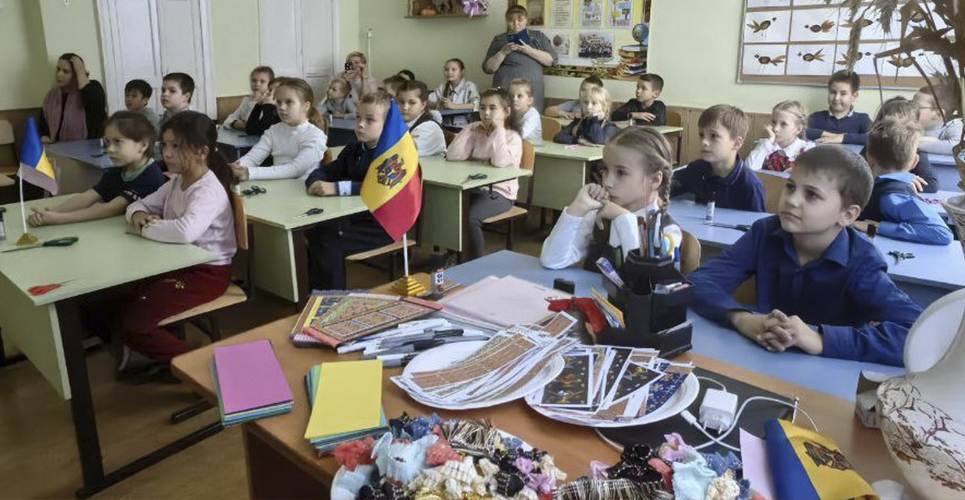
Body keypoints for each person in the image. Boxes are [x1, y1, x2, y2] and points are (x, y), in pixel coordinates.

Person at [687, 146, 922, 367]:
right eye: (790, 187)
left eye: (812, 195)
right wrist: (742, 319)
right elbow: (699, 281)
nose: (792, 200)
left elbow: (918, 334)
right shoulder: (765, 233)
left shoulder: (862, 261)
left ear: (847, 215)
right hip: (761, 361)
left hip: (827, 377)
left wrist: (820, 339)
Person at [120, 111, 237, 369]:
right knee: (119, 297)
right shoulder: (176, 182)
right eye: (165, 145)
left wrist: (145, 229)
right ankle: (150, 356)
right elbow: (137, 205)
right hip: (177, 264)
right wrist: (138, 216)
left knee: (136, 324)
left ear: (201, 152)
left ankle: (199, 368)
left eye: (176, 146)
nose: (168, 153)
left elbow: (185, 232)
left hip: (207, 273)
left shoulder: (207, 190)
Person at [540, 127, 681, 270]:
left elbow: (642, 278)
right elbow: (551, 260)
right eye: (605, 169)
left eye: (621, 172)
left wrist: (624, 219)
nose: (607, 182)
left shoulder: (666, 231)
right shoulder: (599, 215)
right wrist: (577, 209)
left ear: (654, 180)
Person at [302, 90, 396, 290]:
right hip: (355, 217)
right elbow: (326, 171)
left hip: (383, 225)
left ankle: (333, 300)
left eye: (370, 120)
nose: (360, 124)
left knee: (328, 241)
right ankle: (316, 293)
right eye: (358, 118)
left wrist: (337, 188)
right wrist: (314, 181)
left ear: (388, 124)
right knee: (315, 231)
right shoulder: (354, 149)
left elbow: (380, 187)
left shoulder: (394, 154)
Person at [28, 112, 165, 227]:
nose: (110, 149)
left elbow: (111, 209)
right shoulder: (119, 170)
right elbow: (89, 195)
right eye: (108, 142)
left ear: (143, 145)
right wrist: (53, 211)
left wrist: (56, 219)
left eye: (118, 142)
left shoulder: (151, 176)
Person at [446, 88, 523, 259]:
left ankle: (476, 261)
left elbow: (499, 162)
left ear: (506, 112)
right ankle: (454, 255)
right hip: (473, 188)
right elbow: (453, 156)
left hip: (500, 193)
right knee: (448, 208)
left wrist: (499, 130)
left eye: (492, 108)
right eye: (482, 108)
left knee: (471, 218)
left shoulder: (512, 138)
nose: (486, 113)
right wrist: (468, 129)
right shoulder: (477, 132)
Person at [852, 118, 952, 245]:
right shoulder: (894, 195)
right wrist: (877, 227)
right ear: (915, 162)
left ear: (869, 158)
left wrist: (877, 227)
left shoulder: (891, 194)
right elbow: (942, 233)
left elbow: (943, 234)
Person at [671, 104, 765, 212]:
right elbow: (668, 186)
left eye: (713, 136)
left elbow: (758, 221)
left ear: (736, 143)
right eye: (701, 135)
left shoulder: (750, 185)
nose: (704, 142)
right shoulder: (697, 169)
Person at [230, 78, 327, 181]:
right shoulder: (274, 130)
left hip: (302, 188)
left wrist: (249, 173)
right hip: (277, 185)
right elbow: (253, 158)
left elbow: (295, 169)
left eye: (289, 102)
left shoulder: (315, 135)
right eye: (279, 102)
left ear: (306, 106)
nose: (282, 107)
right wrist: (236, 167)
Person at [483, 5, 557, 111]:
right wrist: (503, 52)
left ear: (526, 20)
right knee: (504, 118)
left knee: (530, 119)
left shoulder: (538, 37)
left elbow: (551, 61)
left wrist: (529, 50)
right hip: (505, 93)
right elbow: (488, 69)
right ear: (506, 21)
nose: (516, 23)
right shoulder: (499, 39)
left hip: (531, 94)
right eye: (511, 20)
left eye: (520, 19)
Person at [860, 96, 937, 192]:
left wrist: (905, 179)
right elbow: (856, 173)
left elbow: (931, 184)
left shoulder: (915, 149)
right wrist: (896, 179)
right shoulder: (874, 144)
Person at [39, 53, 107, 143]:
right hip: (57, 148)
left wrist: (81, 72)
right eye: (58, 69)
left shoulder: (93, 88)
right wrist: (43, 136)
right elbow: (42, 124)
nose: (59, 74)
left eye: (66, 71)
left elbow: (94, 104)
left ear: (76, 73)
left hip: (89, 148)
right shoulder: (52, 96)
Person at [805, 70, 872, 145]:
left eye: (843, 93)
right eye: (833, 92)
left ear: (854, 96)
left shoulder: (862, 119)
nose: (836, 98)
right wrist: (828, 135)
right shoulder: (816, 117)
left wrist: (843, 138)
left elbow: (874, 137)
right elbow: (800, 130)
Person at [746, 101, 814, 172]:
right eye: (774, 122)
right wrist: (767, 144)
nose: (775, 128)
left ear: (798, 129)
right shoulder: (766, 146)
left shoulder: (806, 151)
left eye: (783, 124)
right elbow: (748, 171)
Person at [554, 86, 619, 146]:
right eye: (585, 102)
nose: (588, 107)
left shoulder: (610, 126)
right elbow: (559, 137)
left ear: (605, 107)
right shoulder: (579, 123)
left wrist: (594, 119)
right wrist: (578, 141)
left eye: (594, 103)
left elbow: (598, 141)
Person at [397, 80, 446, 157]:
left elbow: (405, 154)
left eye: (412, 103)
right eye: (401, 102)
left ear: (423, 104)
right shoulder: (401, 123)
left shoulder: (429, 127)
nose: (405, 107)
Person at [914, 83, 964, 157]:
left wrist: (915, 142)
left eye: (917, 106)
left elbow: (959, 147)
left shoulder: (953, 125)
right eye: (911, 104)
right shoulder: (910, 123)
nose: (912, 109)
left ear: (938, 114)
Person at [429, 58, 480, 128]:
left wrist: (454, 106)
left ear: (462, 72)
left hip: (465, 127)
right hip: (445, 125)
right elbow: (427, 100)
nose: (449, 72)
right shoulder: (443, 87)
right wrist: (437, 104)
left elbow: (477, 104)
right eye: (446, 70)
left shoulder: (470, 86)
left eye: (453, 70)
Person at [224, 66, 274, 131]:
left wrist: (248, 125)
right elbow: (228, 120)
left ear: (270, 85)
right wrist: (234, 123)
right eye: (254, 80)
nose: (257, 84)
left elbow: (262, 125)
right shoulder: (246, 100)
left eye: (262, 81)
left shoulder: (271, 103)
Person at [509, 78, 542, 145]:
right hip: (516, 146)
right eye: (511, 96)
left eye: (519, 96)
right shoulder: (510, 112)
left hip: (533, 149)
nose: (514, 99)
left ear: (530, 100)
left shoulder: (533, 115)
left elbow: (521, 135)